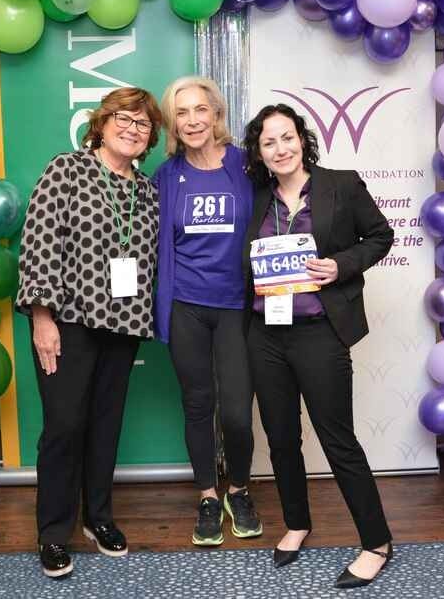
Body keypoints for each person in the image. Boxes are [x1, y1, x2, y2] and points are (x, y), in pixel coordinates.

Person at [242, 103, 395, 589]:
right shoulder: (256, 196)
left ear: (301, 139)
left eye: (286, 137)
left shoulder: (340, 184)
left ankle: (376, 542)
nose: (280, 148)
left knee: (337, 439)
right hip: (265, 334)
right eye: (269, 142)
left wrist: (340, 265)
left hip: (320, 333)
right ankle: (297, 522)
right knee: (281, 437)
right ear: (259, 153)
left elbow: (380, 236)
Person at [15, 87, 162, 578]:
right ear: (101, 123)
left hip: (122, 326)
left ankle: (99, 519)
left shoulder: (147, 191)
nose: (132, 129)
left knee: (105, 426)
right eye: (123, 118)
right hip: (68, 322)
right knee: (63, 428)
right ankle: (55, 533)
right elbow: (39, 242)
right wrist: (42, 317)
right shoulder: (66, 170)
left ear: (150, 139)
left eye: (142, 125)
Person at [153, 76, 261, 546]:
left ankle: (239, 488)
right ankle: (208, 496)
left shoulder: (245, 165)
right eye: (182, 112)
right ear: (172, 123)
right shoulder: (166, 175)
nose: (193, 120)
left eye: (201, 110)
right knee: (198, 404)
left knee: (237, 412)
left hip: (238, 306)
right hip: (187, 307)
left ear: (216, 114)